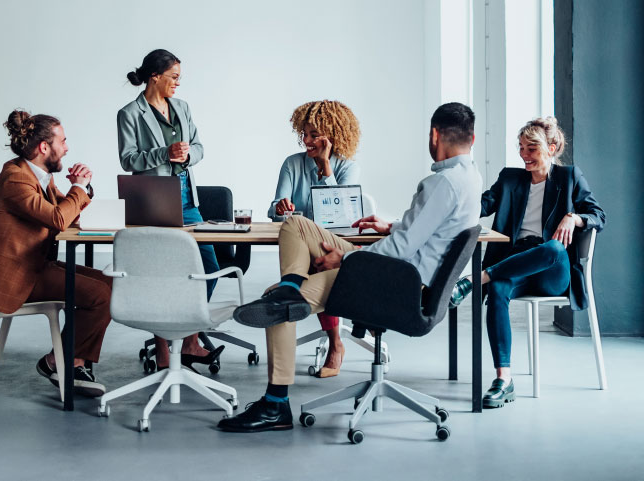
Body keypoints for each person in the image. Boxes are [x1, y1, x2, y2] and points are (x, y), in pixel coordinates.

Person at [218, 102, 483, 432]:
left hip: (397, 282)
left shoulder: (440, 184)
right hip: (409, 276)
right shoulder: (469, 177)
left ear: (433, 135)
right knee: (297, 225)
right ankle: (291, 284)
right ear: (471, 139)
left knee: (278, 309)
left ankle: (275, 405)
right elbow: (424, 234)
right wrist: (394, 226)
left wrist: (344, 258)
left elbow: (399, 252)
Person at [448, 117, 605, 408]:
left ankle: (475, 279)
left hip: (551, 272)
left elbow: (598, 216)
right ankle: (503, 380)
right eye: (521, 148)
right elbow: (481, 206)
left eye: (531, 149)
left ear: (552, 148)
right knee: (497, 290)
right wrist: (461, 186)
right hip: (515, 263)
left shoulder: (570, 177)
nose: (524, 155)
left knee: (555, 249)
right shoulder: (510, 179)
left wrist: (574, 216)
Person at [0, 110, 111, 397]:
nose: (67, 147)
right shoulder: (15, 179)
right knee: (101, 295)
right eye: (62, 141)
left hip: (36, 265)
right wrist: (77, 188)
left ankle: (68, 361)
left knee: (110, 284)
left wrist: (82, 189)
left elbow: (70, 214)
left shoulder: (40, 178)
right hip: (17, 276)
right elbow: (59, 219)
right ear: (44, 147)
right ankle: (64, 363)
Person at [117, 49, 223, 371]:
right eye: (174, 77)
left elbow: (199, 148)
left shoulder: (182, 107)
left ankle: (189, 339)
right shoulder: (130, 113)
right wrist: (164, 153)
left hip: (186, 196)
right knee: (159, 271)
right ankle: (164, 346)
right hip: (152, 197)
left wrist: (187, 157)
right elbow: (128, 159)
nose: (178, 83)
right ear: (155, 77)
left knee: (207, 263)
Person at [267, 100, 361, 378]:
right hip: (300, 241)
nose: (305, 140)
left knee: (318, 258)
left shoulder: (347, 167)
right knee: (309, 258)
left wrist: (325, 168)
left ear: (332, 136)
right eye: (304, 134)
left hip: (332, 242)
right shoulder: (292, 164)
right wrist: (280, 207)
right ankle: (331, 338)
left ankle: (334, 342)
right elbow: (273, 209)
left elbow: (341, 214)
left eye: (313, 135)